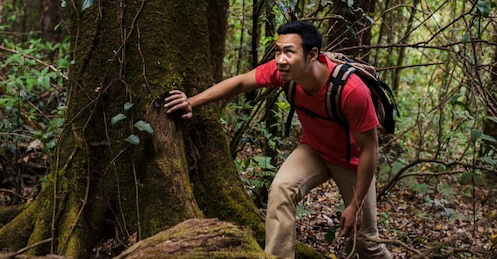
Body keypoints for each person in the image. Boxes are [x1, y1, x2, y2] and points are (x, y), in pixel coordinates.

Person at [164, 20, 392, 259]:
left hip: (352, 162)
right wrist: (192, 102)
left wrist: (355, 205)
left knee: (366, 240)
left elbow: (370, 150)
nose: (281, 59)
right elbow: (241, 82)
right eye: (278, 51)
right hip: (314, 150)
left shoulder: (352, 91)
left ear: (312, 55)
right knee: (281, 189)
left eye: (290, 52)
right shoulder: (284, 73)